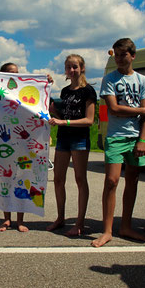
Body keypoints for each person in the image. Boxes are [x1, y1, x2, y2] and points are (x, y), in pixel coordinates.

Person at [92, 38, 145, 247]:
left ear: (132, 56)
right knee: (111, 181)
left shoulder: (142, 81)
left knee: (132, 181)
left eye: (123, 55)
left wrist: (142, 140)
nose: (118, 59)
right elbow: (114, 109)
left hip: (136, 137)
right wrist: (141, 110)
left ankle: (126, 226)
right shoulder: (110, 79)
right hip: (116, 136)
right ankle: (107, 230)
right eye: (116, 55)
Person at [47, 55, 96, 236]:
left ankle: (79, 223)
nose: (71, 70)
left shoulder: (88, 91)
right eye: (68, 67)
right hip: (63, 139)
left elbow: (89, 120)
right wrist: (56, 115)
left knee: (80, 180)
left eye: (75, 66)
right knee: (58, 179)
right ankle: (60, 218)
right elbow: (63, 118)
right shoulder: (65, 91)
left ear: (82, 68)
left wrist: (64, 122)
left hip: (79, 139)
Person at [0, 62, 30, 232]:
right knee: (5, 181)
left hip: (21, 145)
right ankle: (6, 219)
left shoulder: (22, 93)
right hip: (2, 144)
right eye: (11, 73)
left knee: (22, 182)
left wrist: (46, 83)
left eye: (17, 73)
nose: (15, 76)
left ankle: (20, 220)